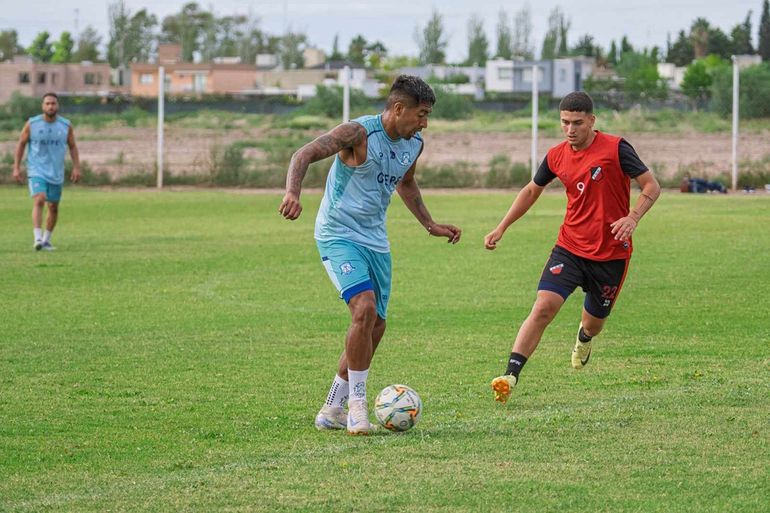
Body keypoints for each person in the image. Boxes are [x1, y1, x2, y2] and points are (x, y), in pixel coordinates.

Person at [279, 75, 462, 434]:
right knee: (363, 309)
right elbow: (304, 153)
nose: (425, 123)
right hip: (337, 233)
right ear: (399, 108)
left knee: (375, 325)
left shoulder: (414, 145)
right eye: (422, 114)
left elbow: (406, 183)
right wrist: (292, 193)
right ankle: (357, 407)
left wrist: (430, 225)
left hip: (375, 241)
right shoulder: (359, 133)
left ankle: (332, 408)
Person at [484, 91, 661, 403]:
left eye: (577, 123)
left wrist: (633, 217)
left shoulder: (616, 148)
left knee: (594, 324)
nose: (570, 129)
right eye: (565, 122)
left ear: (591, 120)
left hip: (611, 255)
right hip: (569, 248)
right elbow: (531, 190)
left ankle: (584, 336)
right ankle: (510, 375)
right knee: (543, 307)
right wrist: (502, 226)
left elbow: (651, 185)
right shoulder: (556, 155)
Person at [13, 92, 81, 251]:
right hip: (36, 170)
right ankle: (37, 238)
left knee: (53, 207)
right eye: (47, 103)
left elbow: (72, 146)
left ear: (58, 106)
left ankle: (46, 241)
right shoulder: (32, 124)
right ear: (42, 106)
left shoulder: (65, 125)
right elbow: (21, 144)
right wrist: (16, 167)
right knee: (39, 199)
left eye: (53, 103)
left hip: (56, 172)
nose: (50, 106)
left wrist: (77, 167)